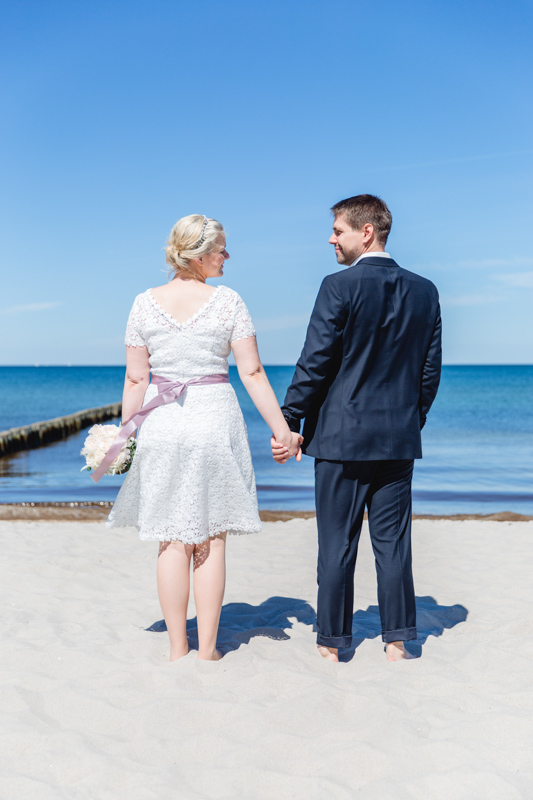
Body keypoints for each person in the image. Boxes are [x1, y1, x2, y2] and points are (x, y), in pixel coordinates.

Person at [107, 214, 302, 662]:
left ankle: (178, 648)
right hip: (214, 418)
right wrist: (282, 431)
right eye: (221, 250)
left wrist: (124, 437)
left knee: (172, 538)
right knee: (211, 537)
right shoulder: (228, 301)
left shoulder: (143, 303)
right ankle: (208, 650)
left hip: (161, 423)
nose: (227, 257)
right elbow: (251, 372)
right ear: (198, 255)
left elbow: (136, 381)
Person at [272, 195, 442, 662]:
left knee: (337, 544)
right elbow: (429, 371)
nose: (332, 238)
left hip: (341, 440)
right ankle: (396, 642)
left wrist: (289, 420)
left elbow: (316, 361)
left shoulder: (338, 286)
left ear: (366, 232)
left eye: (338, 230)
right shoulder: (426, 290)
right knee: (393, 546)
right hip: (397, 439)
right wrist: (410, 420)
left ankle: (331, 644)